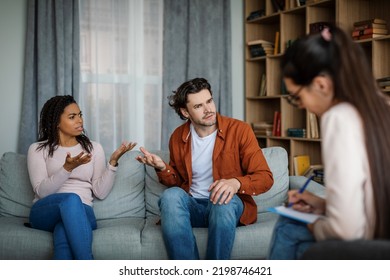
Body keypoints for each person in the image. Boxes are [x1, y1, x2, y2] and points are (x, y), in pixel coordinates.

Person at [268, 25, 390, 259]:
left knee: (288, 225)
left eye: (297, 97)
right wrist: (322, 205)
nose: (301, 105)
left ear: (321, 84)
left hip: (368, 248)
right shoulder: (381, 105)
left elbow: (346, 230)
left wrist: (316, 226)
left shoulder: (339, 117)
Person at [136, 77, 274, 259]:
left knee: (222, 199)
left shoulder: (240, 130)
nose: (209, 109)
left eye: (209, 101)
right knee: (170, 197)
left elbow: (265, 177)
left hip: (228, 206)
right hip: (194, 206)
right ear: (185, 112)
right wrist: (162, 167)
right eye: (199, 106)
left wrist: (235, 183)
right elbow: (176, 182)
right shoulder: (177, 137)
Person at [27, 95, 137, 260]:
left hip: (83, 213)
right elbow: (42, 192)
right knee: (71, 199)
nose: (79, 120)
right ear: (56, 121)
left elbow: (100, 192)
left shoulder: (94, 148)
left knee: (63, 237)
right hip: (45, 212)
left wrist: (113, 162)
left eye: (80, 115)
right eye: (72, 117)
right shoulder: (37, 149)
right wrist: (67, 169)